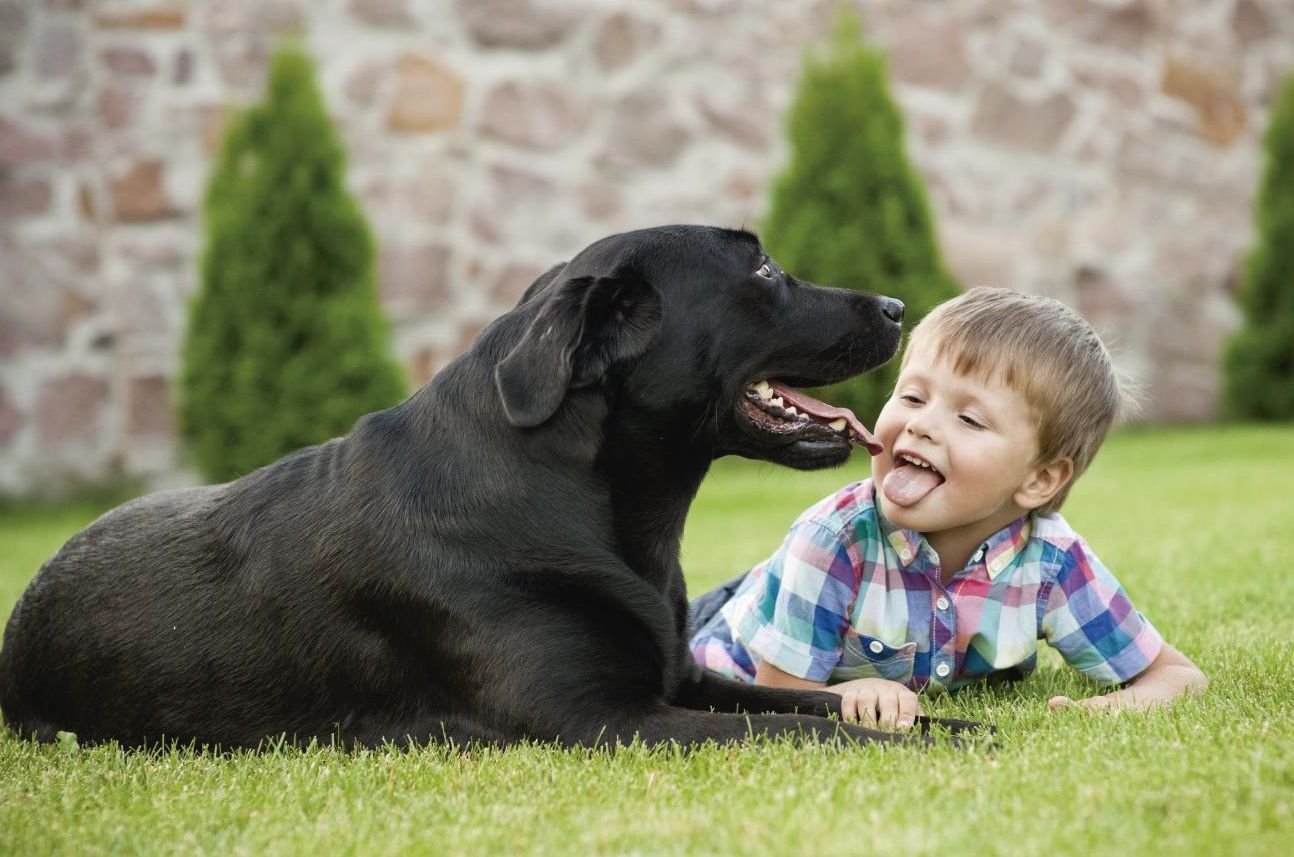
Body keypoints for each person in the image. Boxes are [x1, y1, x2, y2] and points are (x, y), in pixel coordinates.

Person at [689, 287, 1208, 730]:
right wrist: (852, 693)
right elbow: (779, 698)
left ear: (1040, 478)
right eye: (913, 398)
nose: (920, 425)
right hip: (727, 645)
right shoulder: (834, 540)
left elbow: (1176, 675)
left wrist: (1114, 707)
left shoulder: (1051, 561)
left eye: (970, 420)